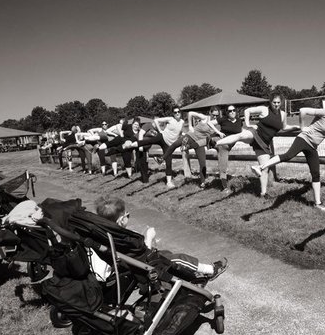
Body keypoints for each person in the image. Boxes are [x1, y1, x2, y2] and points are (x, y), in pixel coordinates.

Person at [94, 195, 228, 280]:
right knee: (177, 258)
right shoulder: (121, 237)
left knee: (165, 253)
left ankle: (190, 275)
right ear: (121, 220)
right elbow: (143, 256)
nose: (128, 217)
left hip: (122, 267)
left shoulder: (105, 234)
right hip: (134, 269)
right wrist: (149, 237)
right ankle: (210, 270)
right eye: (127, 215)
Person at [251, 98, 325, 211]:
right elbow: (303, 110)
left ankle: (318, 203)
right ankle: (260, 167)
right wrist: (302, 127)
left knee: (316, 173)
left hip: (313, 147)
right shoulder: (324, 112)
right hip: (303, 139)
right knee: (288, 156)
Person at [215, 93, 300, 197]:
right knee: (240, 136)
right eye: (274, 102)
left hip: (264, 143)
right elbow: (247, 111)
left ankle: (263, 193)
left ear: (281, 103)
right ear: (270, 102)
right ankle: (215, 143)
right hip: (255, 134)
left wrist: (295, 127)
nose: (276, 104)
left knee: (265, 169)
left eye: (278, 102)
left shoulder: (283, 114)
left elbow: (284, 127)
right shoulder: (264, 109)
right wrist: (248, 124)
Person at [154, 106, 225, 188]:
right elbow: (190, 113)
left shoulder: (216, 124)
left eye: (217, 115)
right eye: (213, 115)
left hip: (199, 143)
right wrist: (190, 126)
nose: (215, 117)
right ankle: (161, 159)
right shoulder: (205, 118)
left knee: (202, 163)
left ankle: (203, 182)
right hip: (190, 136)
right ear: (210, 113)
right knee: (175, 144)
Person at [124, 106, 186, 187]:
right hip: (162, 137)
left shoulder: (182, 122)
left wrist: (183, 136)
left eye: (178, 112)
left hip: (168, 145)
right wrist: (160, 130)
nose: (177, 113)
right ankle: (130, 145)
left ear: (180, 113)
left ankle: (169, 182)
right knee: (149, 141)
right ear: (173, 114)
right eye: (175, 112)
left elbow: (179, 132)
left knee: (169, 162)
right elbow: (156, 120)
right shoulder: (170, 119)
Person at [209, 105, 243, 193]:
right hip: (221, 140)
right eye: (229, 111)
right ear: (227, 112)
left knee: (223, 149)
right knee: (222, 148)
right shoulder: (223, 119)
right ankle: (224, 184)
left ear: (236, 111)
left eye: (234, 110)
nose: (232, 112)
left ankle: (209, 142)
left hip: (229, 144)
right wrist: (218, 132)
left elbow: (242, 132)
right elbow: (209, 123)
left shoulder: (239, 121)